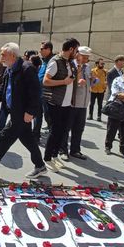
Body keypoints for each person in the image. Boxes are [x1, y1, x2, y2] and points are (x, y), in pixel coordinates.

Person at [0, 43, 47, 180]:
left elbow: (36, 92)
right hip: (14, 111)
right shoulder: (10, 69)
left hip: (21, 112)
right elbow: (3, 88)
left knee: (5, 137)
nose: (1, 57)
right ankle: (40, 166)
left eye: (3, 54)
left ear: (12, 55)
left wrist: (30, 112)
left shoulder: (27, 68)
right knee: (28, 140)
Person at [42, 38, 79, 172]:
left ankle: (54, 155)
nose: (77, 53)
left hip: (67, 103)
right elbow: (46, 81)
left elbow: (71, 80)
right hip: (55, 102)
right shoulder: (55, 61)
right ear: (71, 49)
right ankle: (47, 159)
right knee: (54, 132)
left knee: (62, 132)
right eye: (76, 50)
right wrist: (63, 82)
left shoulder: (70, 62)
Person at [60, 46, 92, 161]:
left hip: (83, 103)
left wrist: (92, 80)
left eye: (87, 57)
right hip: (71, 102)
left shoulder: (88, 67)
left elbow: (87, 82)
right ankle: (63, 150)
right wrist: (77, 80)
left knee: (79, 128)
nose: (86, 59)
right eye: (84, 57)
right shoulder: (71, 65)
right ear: (77, 54)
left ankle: (75, 150)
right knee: (66, 128)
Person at [33, 41, 53, 140]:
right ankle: (36, 135)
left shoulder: (52, 61)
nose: (40, 51)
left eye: (42, 49)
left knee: (48, 114)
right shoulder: (44, 61)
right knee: (38, 114)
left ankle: (52, 135)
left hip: (47, 93)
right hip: (39, 92)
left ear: (48, 49)